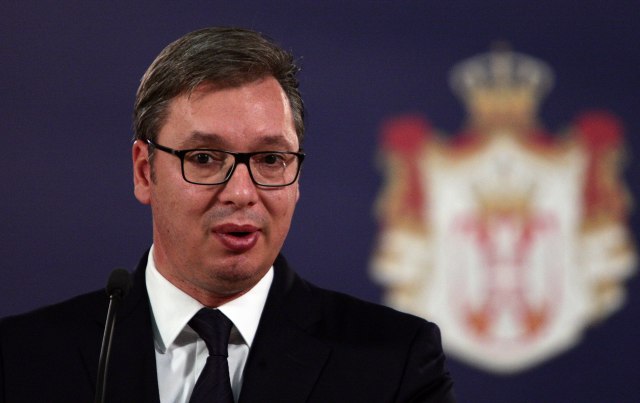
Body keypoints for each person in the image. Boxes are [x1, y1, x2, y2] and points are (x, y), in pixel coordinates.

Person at [0, 27, 455, 402]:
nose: (241, 193)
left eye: (270, 159)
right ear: (144, 172)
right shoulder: (23, 359)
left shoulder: (393, 363)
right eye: (203, 158)